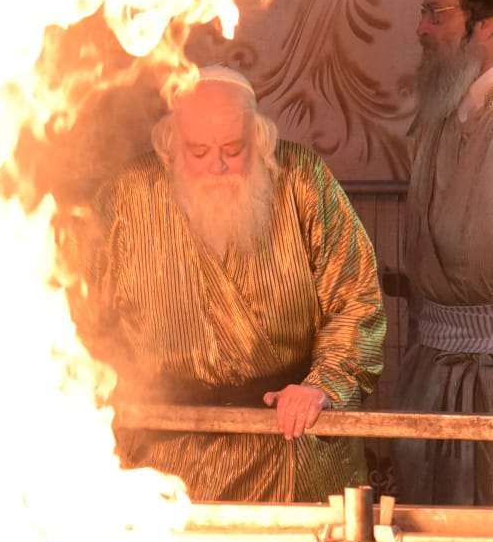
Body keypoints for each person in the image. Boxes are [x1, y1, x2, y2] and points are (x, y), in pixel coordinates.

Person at [86, 66, 386, 502]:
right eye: (198, 151)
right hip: (165, 456)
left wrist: (322, 385)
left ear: (260, 139)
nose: (217, 165)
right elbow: (82, 316)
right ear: (170, 145)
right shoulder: (127, 197)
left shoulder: (303, 180)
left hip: (290, 445)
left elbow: (356, 298)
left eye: (232, 148)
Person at [390, 0, 493, 542]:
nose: (420, 26)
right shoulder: (438, 109)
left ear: (485, 26)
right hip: (435, 362)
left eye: (437, 12)